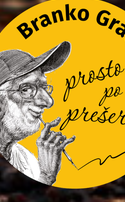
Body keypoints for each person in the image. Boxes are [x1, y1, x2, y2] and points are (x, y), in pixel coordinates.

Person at [0, 41, 75, 185]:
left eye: (44, 87)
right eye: (26, 89)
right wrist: (46, 178)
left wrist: (45, 175)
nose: (48, 101)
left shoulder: (25, 159)